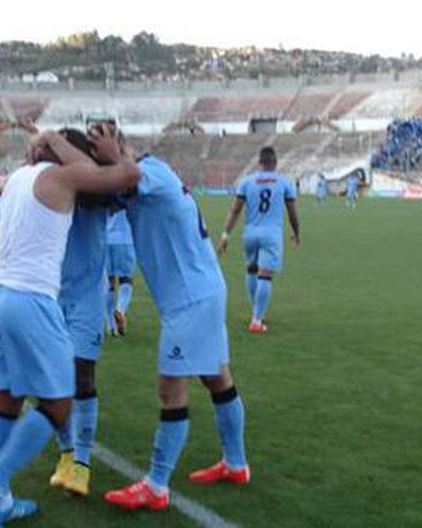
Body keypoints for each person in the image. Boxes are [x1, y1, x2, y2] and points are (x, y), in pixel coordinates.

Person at [0, 128, 139, 527]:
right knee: (59, 405)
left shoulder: (19, 179)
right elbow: (126, 176)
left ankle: (0, 499)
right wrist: (110, 150)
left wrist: (46, 143)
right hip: (32, 302)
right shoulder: (62, 177)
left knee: (4, 402)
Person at [100, 128, 250, 513]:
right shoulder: (145, 177)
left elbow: (126, 177)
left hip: (190, 299)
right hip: (200, 290)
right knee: (217, 377)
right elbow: (102, 193)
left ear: (121, 146)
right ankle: (236, 464)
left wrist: (111, 154)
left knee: (170, 388)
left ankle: (157, 485)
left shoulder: (150, 172)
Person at [219, 147, 301, 333]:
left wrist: (225, 234)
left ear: (259, 162)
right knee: (264, 276)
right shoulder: (284, 183)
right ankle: (257, 320)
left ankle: (257, 313)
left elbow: (235, 210)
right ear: (275, 163)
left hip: (250, 233)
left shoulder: (247, 182)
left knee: (252, 270)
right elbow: (292, 213)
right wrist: (296, 233)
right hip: (271, 234)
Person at [104, 208, 136, 336]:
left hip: (106, 239)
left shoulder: (105, 192)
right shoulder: (126, 191)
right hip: (125, 239)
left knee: (109, 282)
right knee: (126, 279)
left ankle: (111, 325)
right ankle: (120, 309)